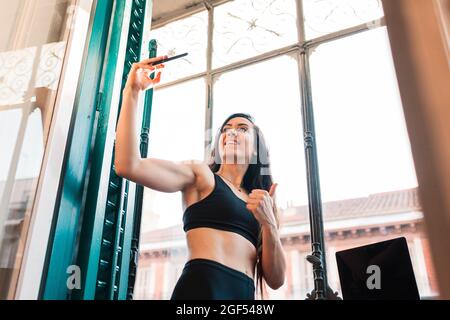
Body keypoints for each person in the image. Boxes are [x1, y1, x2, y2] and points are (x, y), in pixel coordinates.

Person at [115, 56, 286, 300]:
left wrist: (270, 225)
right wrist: (131, 92)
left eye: (242, 129)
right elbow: (128, 165)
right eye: (225, 130)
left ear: (257, 148)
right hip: (202, 290)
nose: (231, 133)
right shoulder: (201, 176)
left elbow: (276, 280)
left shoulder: (263, 203)